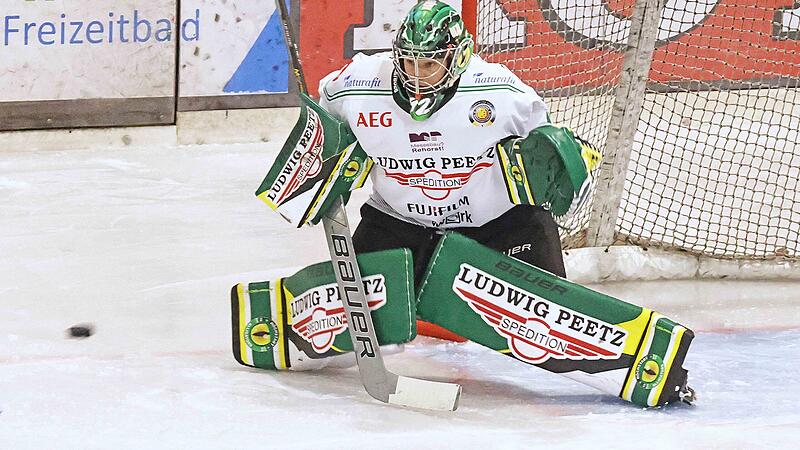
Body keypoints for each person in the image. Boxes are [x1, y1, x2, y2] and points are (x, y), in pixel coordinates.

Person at [317, 1, 597, 287]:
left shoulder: (502, 92)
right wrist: (319, 154)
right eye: (408, 62)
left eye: (428, 65)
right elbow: (322, 114)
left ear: (458, 57)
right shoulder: (357, 86)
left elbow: (546, 153)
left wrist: (568, 169)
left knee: (545, 300)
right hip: (400, 223)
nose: (415, 76)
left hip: (496, 228)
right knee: (355, 305)